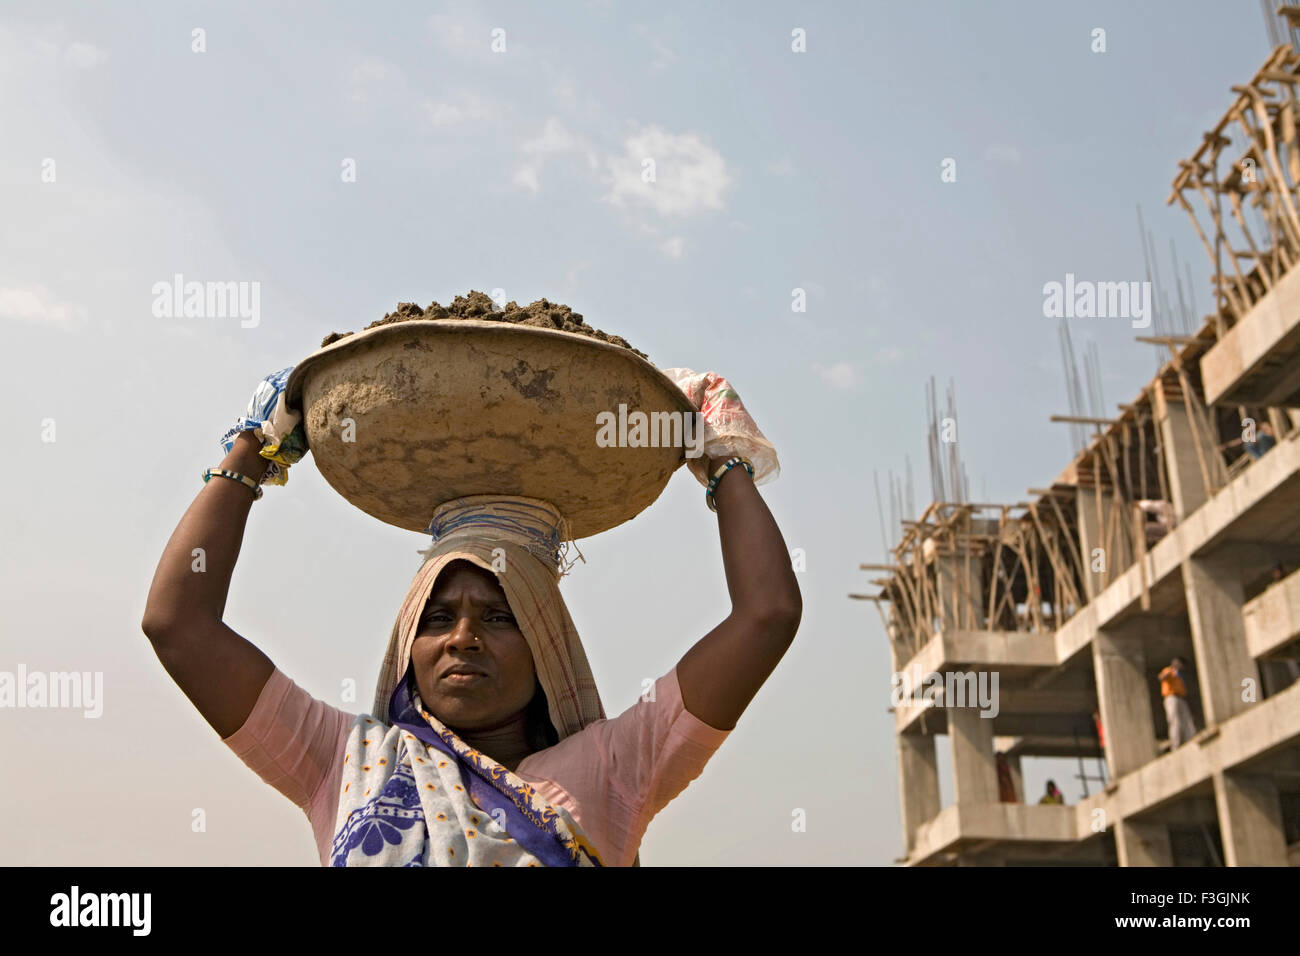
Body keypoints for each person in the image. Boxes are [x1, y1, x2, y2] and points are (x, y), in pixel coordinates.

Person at [142, 366, 802, 866]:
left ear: (546, 638)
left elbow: (766, 614)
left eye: (497, 617)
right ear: (407, 643)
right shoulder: (345, 761)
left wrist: (721, 460)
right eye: (436, 618)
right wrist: (254, 450)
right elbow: (178, 624)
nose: (462, 639)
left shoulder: (615, 767)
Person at [1159, 656, 1196, 750]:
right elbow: (1161, 677)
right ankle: (1175, 745)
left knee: (1187, 720)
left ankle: (1190, 739)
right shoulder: (1169, 670)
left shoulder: (1179, 675)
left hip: (1181, 698)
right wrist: (1170, 671)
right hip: (1171, 698)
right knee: (1174, 720)